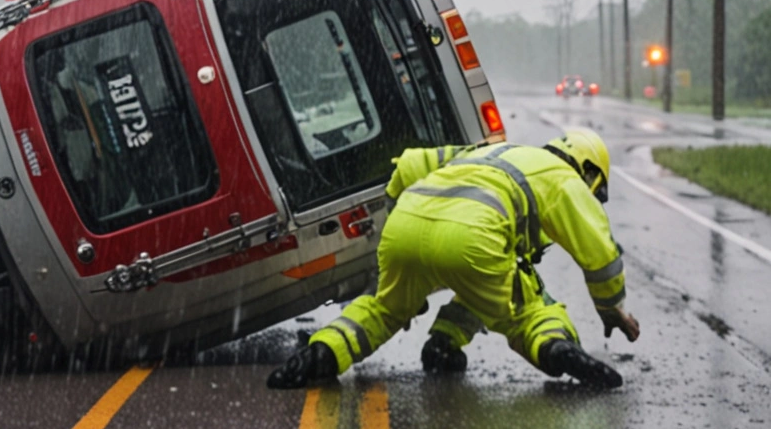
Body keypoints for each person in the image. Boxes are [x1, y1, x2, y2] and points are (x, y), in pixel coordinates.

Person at [267, 128, 640, 390]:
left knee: (385, 309)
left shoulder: (486, 151)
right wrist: (612, 310)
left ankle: (322, 353)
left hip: (406, 225)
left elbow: (410, 164)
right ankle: (556, 348)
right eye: (597, 190)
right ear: (587, 169)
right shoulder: (565, 178)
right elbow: (600, 255)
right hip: (472, 239)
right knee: (525, 304)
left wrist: (400, 216)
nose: (595, 197)